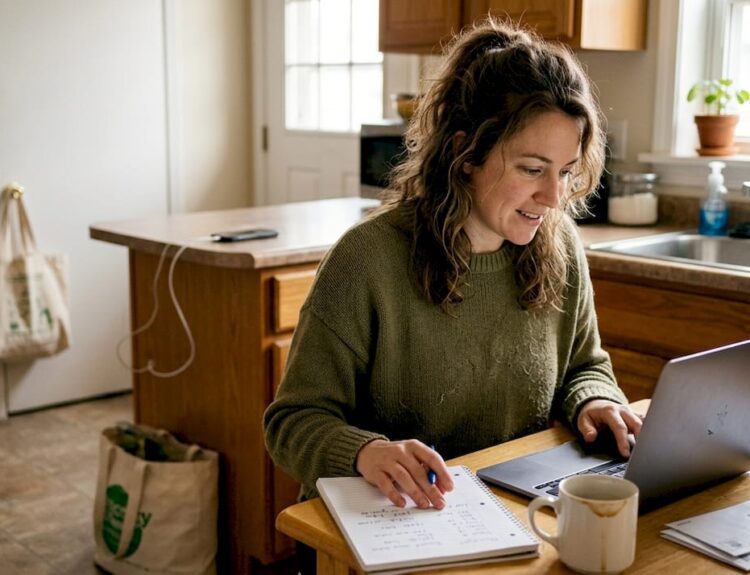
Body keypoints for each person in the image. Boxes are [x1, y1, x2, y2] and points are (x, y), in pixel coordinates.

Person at [264, 17, 642, 520]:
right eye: (532, 169)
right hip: (389, 521)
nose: (553, 197)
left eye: (566, 172)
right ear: (466, 153)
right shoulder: (366, 260)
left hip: (506, 513)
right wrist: (365, 452)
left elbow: (584, 366)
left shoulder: (562, 247)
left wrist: (594, 401)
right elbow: (292, 421)